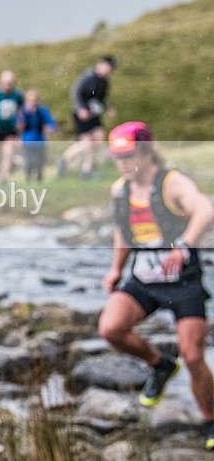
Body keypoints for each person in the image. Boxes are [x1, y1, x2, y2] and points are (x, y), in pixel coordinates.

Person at [98, 121, 214, 451]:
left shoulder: (171, 183)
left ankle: (211, 420)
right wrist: (115, 270)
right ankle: (160, 364)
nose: (122, 163)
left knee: (193, 356)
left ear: (147, 152)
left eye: (129, 155)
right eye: (117, 157)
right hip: (144, 280)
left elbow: (205, 209)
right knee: (110, 328)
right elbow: (123, 234)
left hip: (182, 283)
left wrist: (184, 245)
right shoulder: (119, 190)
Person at [56, 56, 117, 179]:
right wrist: (80, 108)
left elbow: (101, 99)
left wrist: (107, 109)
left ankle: (87, 170)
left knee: (99, 140)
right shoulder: (88, 77)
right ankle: (64, 159)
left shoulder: (104, 82)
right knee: (87, 143)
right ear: (101, 65)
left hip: (94, 115)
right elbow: (75, 92)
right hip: (82, 114)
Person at [20, 89, 57, 182]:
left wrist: (49, 128)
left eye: (35, 100)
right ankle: (28, 179)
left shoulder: (41, 110)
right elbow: (17, 124)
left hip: (40, 139)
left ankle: (39, 179)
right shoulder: (22, 111)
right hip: (27, 140)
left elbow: (51, 123)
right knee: (29, 162)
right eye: (31, 101)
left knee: (40, 162)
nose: (33, 103)